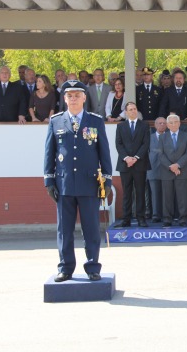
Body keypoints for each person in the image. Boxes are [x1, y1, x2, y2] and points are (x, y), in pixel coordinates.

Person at [44, 80, 112, 282]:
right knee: (64, 230)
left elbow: (104, 152)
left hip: (89, 183)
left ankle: (93, 266)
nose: (73, 99)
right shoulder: (56, 121)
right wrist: (49, 180)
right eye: (69, 95)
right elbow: (50, 152)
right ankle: (65, 267)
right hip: (64, 184)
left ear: (84, 97)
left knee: (91, 228)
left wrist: (107, 178)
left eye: (77, 95)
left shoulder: (95, 121)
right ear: (64, 99)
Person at [114, 102, 151, 228]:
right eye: (130, 109)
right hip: (125, 165)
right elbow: (118, 144)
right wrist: (127, 158)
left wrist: (135, 158)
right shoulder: (121, 126)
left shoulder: (144, 126)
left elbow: (145, 144)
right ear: (126, 112)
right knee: (127, 193)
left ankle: (141, 218)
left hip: (139, 163)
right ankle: (126, 219)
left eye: (135, 109)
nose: (133, 111)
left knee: (140, 192)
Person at [158, 114, 187, 227]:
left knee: (182, 197)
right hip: (167, 171)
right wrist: (171, 166)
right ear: (167, 125)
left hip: (182, 170)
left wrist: (178, 165)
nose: (173, 124)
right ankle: (167, 219)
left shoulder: (186, 136)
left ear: (179, 123)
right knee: (167, 197)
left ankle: (183, 219)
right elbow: (161, 155)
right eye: (170, 122)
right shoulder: (162, 137)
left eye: (175, 122)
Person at [148, 117, 168, 223]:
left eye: (164, 123)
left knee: (167, 194)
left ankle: (166, 215)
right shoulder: (149, 138)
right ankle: (156, 215)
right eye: (159, 123)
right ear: (155, 125)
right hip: (153, 169)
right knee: (154, 193)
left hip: (167, 170)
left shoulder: (170, 137)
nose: (162, 125)